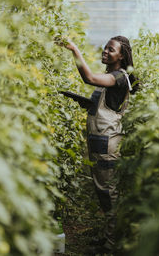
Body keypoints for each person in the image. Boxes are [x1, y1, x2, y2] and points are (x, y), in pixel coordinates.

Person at [58, 36, 138, 254]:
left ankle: (113, 245)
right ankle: (107, 238)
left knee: (109, 194)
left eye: (111, 50)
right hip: (99, 140)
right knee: (103, 192)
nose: (105, 51)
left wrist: (74, 49)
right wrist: (84, 102)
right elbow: (106, 106)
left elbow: (89, 77)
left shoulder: (119, 77)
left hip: (107, 142)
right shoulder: (110, 77)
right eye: (105, 48)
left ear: (121, 56)